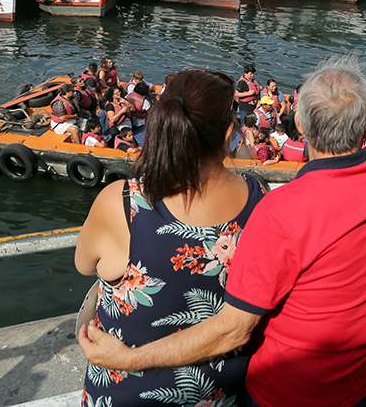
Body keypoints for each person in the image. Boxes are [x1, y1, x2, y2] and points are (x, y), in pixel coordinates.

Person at [79, 56, 366, 407]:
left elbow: (234, 328)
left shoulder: (123, 201)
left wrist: (126, 359)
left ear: (298, 121)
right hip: (354, 376)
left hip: (289, 392)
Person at [75, 69, 264, 407]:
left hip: (125, 392)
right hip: (220, 392)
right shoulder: (259, 199)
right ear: (229, 133)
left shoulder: (122, 202)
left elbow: (84, 265)